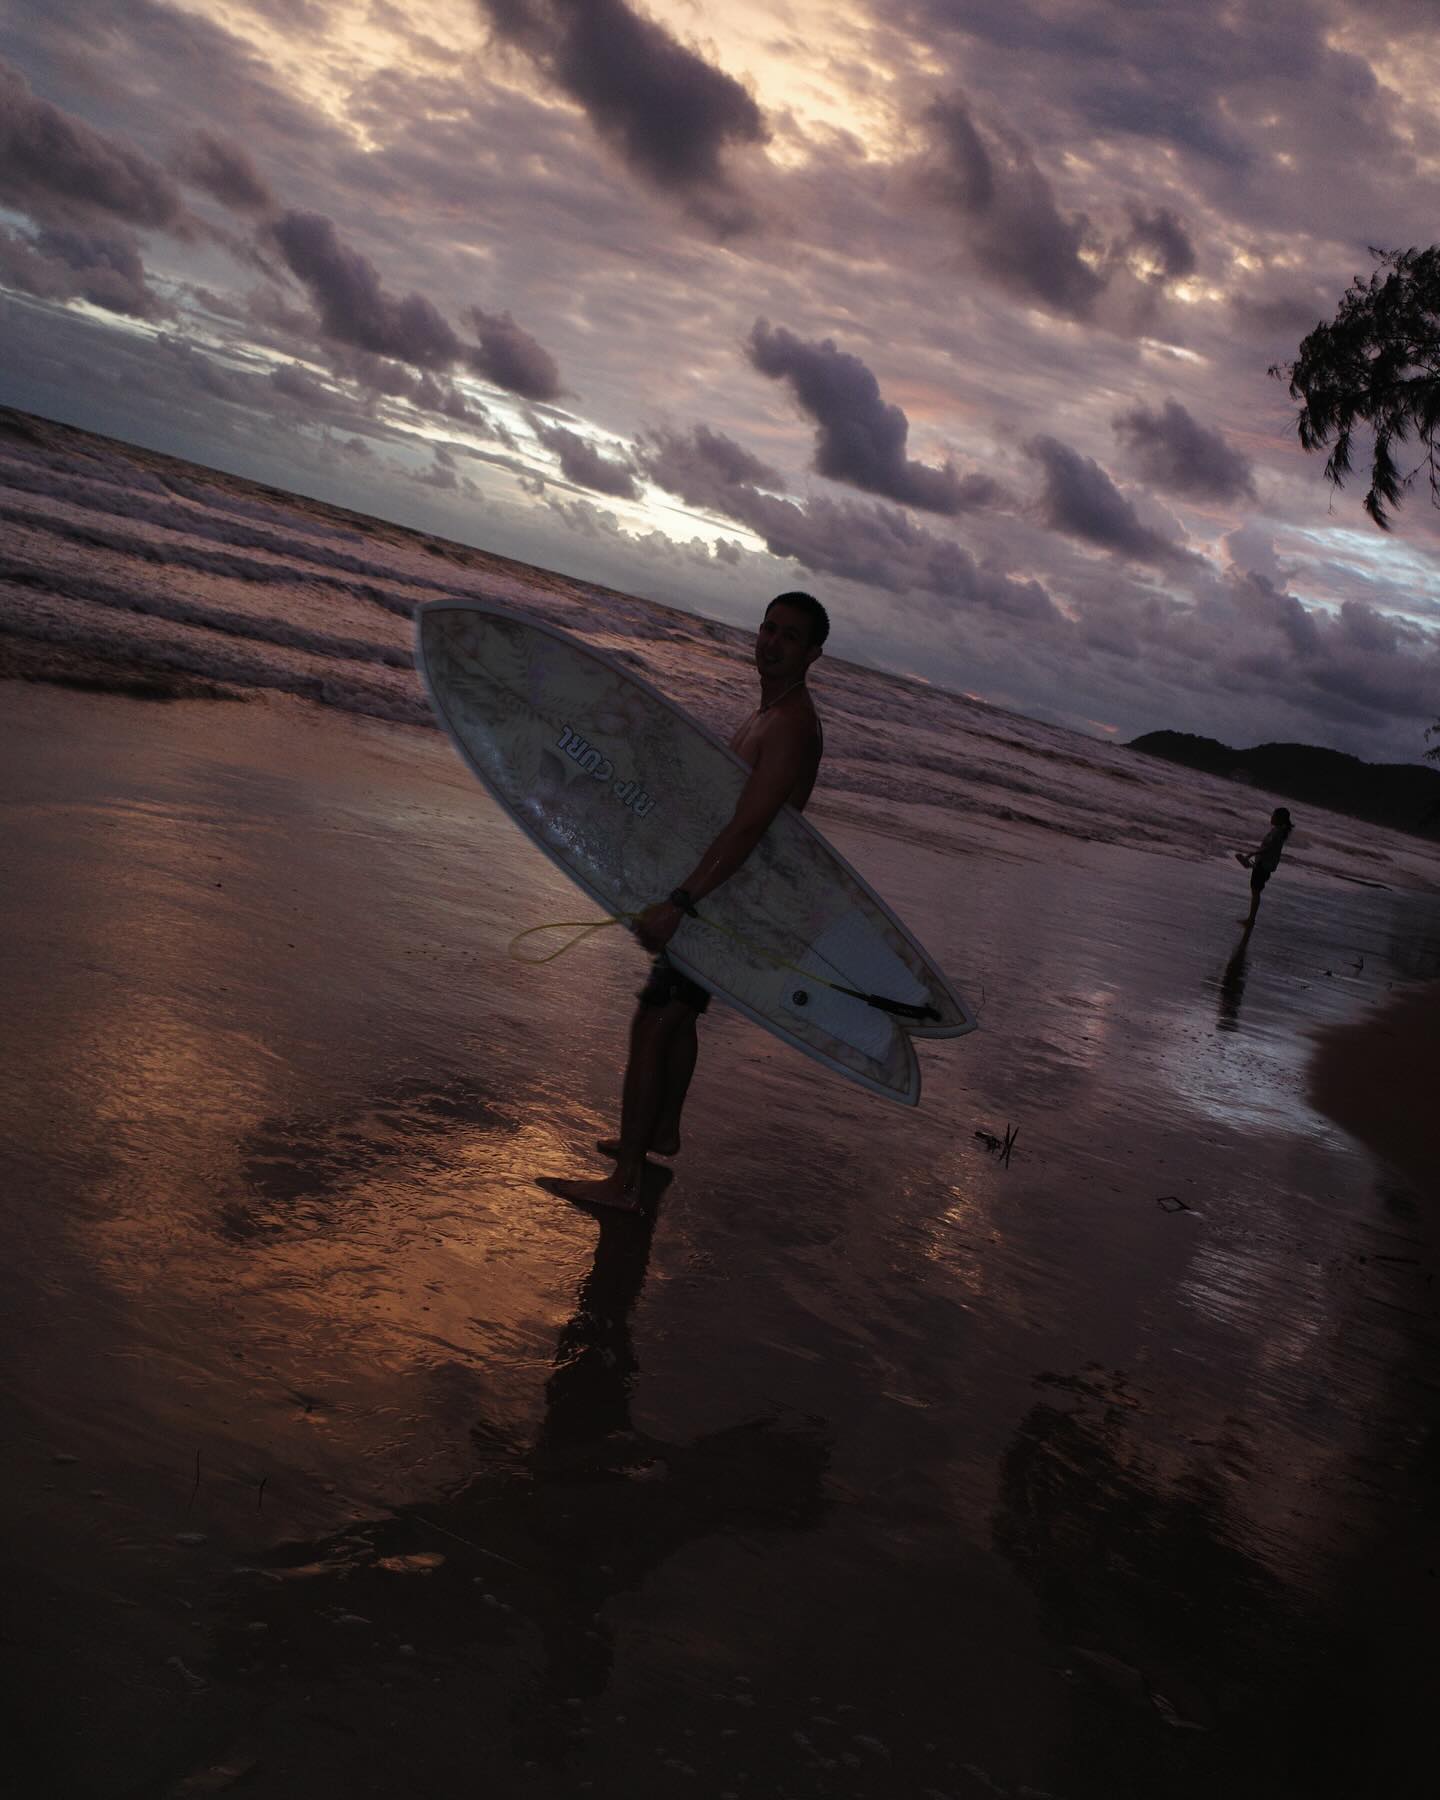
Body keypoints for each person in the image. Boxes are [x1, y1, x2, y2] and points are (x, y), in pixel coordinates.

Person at [550, 592, 829, 1213]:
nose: (771, 641)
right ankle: (660, 1130)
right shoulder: (767, 715)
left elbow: (750, 827)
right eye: (768, 627)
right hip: (725, 894)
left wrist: (682, 901)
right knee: (676, 1018)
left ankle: (625, 1181)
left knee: (653, 1022)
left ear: (813, 653)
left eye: (789, 636)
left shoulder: (788, 725)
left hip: (725, 901)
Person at [1235, 806, 1293, 931]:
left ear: (1279, 818)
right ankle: (1251, 919)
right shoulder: (1278, 831)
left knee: (1255, 892)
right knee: (1256, 891)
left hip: (1264, 865)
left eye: (1274, 815)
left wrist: (1252, 853)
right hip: (1264, 865)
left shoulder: (1277, 832)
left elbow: (1268, 848)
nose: (1271, 817)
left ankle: (1251, 920)